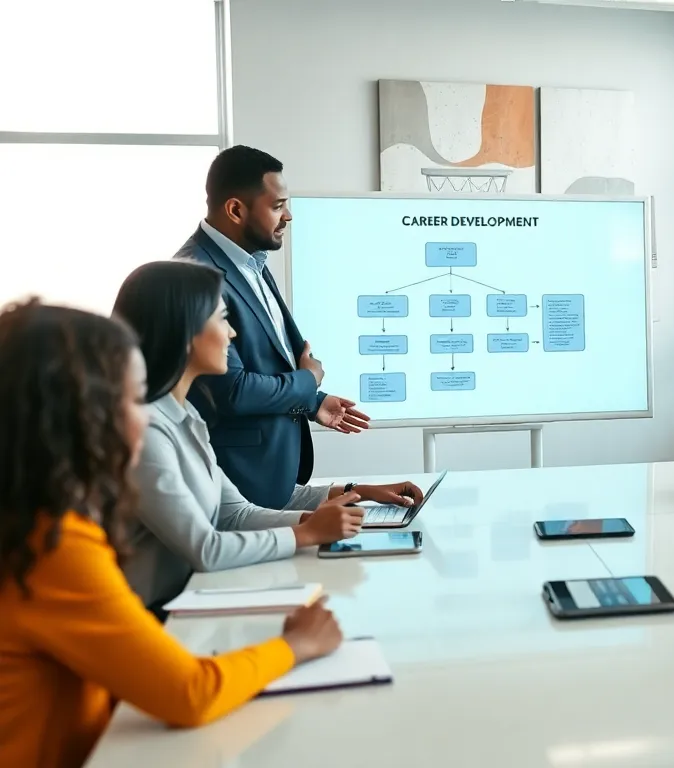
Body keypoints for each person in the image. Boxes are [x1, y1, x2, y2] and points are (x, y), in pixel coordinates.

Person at [0, 299, 344, 768]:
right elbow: (190, 693)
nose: (143, 416)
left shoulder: (36, 523)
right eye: (131, 396)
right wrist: (296, 645)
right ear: (81, 412)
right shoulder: (53, 548)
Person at [112, 261, 425, 613]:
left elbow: (236, 515)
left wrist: (337, 507)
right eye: (222, 319)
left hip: (196, 602)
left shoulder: (186, 415)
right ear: (184, 332)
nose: (232, 335)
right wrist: (306, 533)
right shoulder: (145, 431)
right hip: (158, 618)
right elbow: (206, 548)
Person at [174, 145, 367, 508]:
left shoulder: (254, 263)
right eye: (278, 206)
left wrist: (313, 401)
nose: (289, 215)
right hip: (236, 483)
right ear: (235, 209)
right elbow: (232, 390)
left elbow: (264, 363)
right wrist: (309, 381)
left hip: (272, 480)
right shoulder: (195, 276)